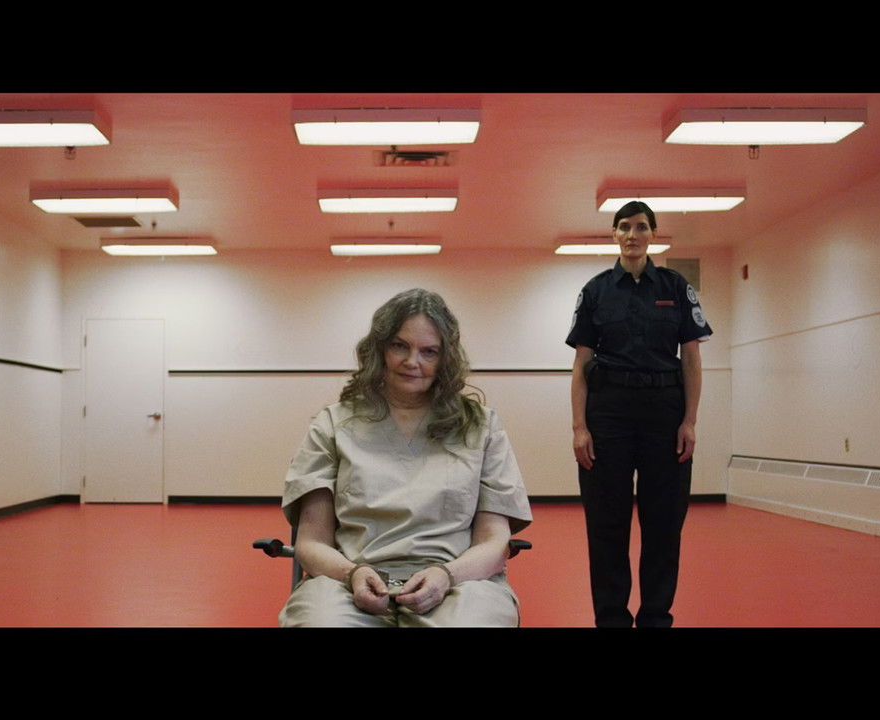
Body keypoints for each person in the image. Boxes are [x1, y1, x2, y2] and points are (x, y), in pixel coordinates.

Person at [279, 288, 533, 627]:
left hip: (458, 582)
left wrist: (446, 575)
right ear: (379, 349)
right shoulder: (334, 425)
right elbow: (311, 542)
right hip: (348, 580)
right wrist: (353, 574)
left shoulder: (480, 427)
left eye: (429, 351)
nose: (412, 362)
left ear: (445, 359)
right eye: (400, 346)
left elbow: (493, 541)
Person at [566, 200, 712, 628]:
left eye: (642, 227)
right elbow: (581, 365)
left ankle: (655, 618)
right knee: (606, 524)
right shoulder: (595, 291)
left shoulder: (675, 286)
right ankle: (611, 619)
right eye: (625, 227)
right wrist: (579, 427)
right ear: (614, 234)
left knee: (664, 524)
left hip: (663, 413)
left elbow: (691, 359)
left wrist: (689, 421)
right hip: (608, 413)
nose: (633, 235)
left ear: (653, 234)